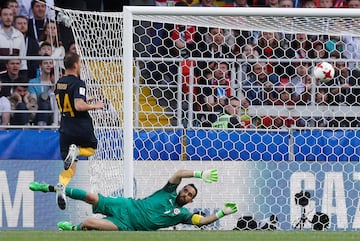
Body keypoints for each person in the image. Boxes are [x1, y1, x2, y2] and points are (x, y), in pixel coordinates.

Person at [28, 168, 238, 231]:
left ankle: (72, 229)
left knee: (88, 224)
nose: (186, 194)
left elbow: (201, 222)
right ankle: (52, 188)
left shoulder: (182, 215)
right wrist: (200, 174)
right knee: (91, 196)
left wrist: (222, 213)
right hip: (126, 205)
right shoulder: (168, 191)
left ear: (191, 202)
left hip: (126, 224)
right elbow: (179, 173)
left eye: (190, 195)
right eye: (186, 191)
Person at [53, 52, 104, 210]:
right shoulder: (79, 83)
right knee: (90, 150)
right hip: (80, 125)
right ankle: (77, 151)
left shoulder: (59, 82)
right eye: (80, 63)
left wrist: (85, 100)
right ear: (75, 65)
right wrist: (95, 106)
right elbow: (79, 106)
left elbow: (71, 100)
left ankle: (61, 186)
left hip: (65, 128)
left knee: (69, 169)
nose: (81, 66)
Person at [0, 7, 28, 73]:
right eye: (5, 15)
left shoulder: (19, 35)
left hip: (15, 75)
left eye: (10, 15)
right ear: (0, 17)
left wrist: (23, 73)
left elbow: (23, 57)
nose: (8, 17)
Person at [28, 58, 54, 125]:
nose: (48, 65)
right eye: (45, 63)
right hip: (38, 112)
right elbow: (34, 101)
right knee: (44, 103)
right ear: (40, 66)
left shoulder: (56, 81)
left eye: (51, 63)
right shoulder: (33, 82)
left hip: (54, 112)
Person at [13, 15, 40, 79]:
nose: (22, 26)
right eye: (19, 23)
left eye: (25, 23)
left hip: (29, 75)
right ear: (14, 25)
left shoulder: (33, 42)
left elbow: (35, 61)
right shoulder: (10, 40)